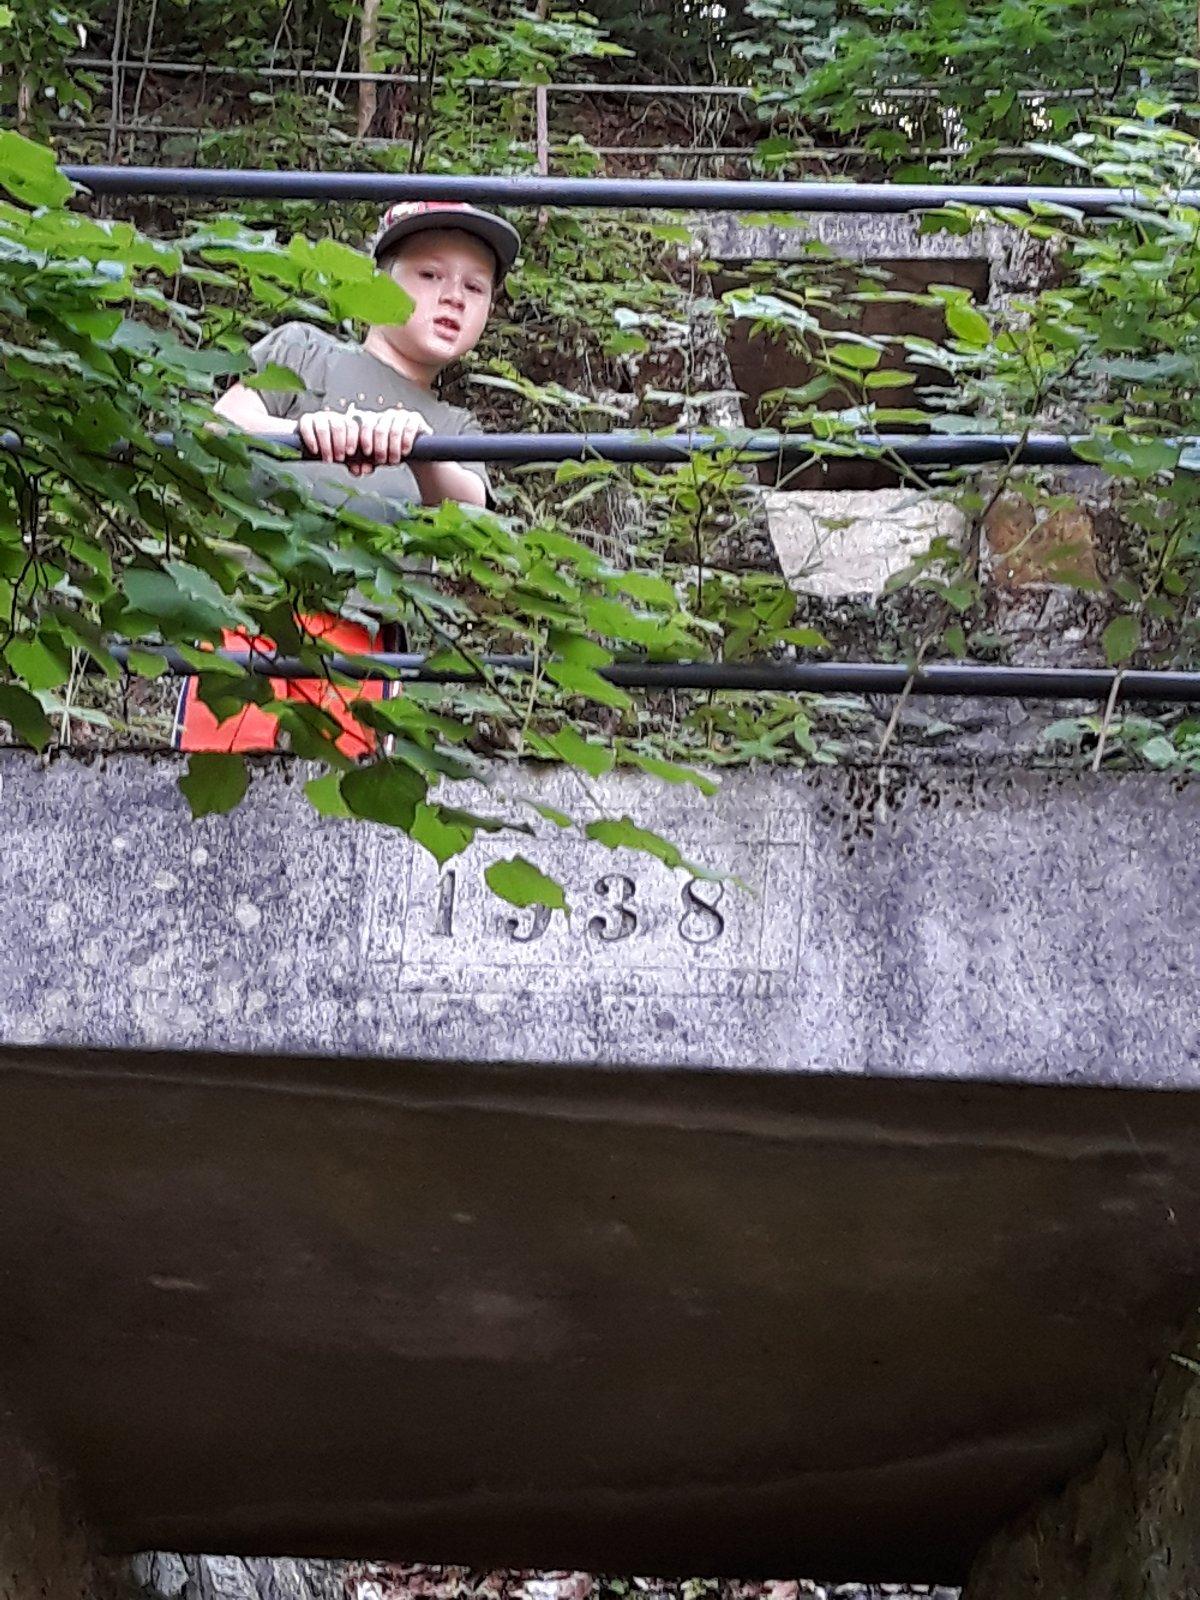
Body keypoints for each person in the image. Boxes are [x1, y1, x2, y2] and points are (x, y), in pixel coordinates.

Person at [174, 199, 522, 757]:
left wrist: (423, 453)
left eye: (475, 287)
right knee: (223, 769)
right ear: (377, 281)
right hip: (247, 610)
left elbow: (472, 512)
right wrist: (301, 430)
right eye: (430, 275)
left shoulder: (454, 426)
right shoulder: (305, 353)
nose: (453, 297)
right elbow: (222, 423)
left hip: (364, 637)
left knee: (341, 788)